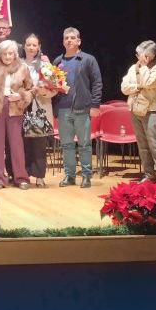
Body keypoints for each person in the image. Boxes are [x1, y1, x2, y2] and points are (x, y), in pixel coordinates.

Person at [0, 40, 35, 189]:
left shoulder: (23, 68)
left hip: (15, 108)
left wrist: (21, 96)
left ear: (15, 54)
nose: (7, 56)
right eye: (4, 53)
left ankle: (21, 178)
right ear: (0, 54)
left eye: (10, 53)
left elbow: (31, 89)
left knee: (16, 145)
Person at [52, 27, 102, 189]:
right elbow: (52, 85)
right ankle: (70, 176)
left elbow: (97, 83)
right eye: (66, 38)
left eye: (72, 38)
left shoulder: (88, 59)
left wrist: (95, 105)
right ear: (63, 41)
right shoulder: (57, 61)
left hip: (82, 108)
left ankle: (86, 176)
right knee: (66, 145)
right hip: (63, 108)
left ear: (79, 41)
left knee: (84, 145)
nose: (69, 40)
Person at [120, 40, 156, 182]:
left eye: (140, 54)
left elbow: (147, 82)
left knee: (155, 146)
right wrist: (138, 87)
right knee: (142, 146)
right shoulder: (133, 68)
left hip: (152, 112)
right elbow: (124, 88)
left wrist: (144, 67)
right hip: (136, 111)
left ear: (148, 56)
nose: (137, 57)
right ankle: (149, 175)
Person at [23, 34, 55, 188]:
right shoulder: (18, 64)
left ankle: (40, 176)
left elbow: (54, 88)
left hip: (39, 107)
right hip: (22, 108)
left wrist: (43, 91)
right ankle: (23, 174)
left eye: (34, 45)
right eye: (28, 45)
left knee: (39, 144)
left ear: (39, 47)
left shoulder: (45, 65)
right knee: (23, 144)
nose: (31, 48)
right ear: (24, 46)